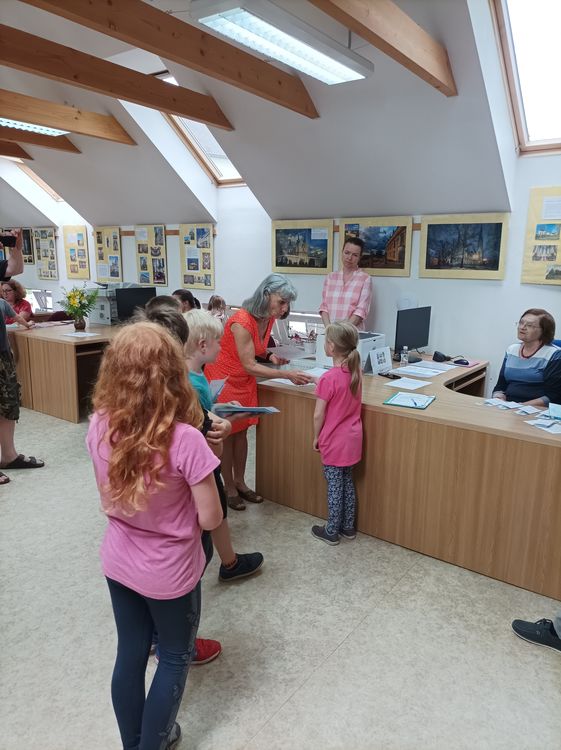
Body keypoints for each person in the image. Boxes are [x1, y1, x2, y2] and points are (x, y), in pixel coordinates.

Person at [87, 322, 223, 750]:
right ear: (172, 373)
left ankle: (134, 743)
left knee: (130, 653)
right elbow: (210, 518)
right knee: (175, 656)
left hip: (118, 561)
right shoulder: (186, 440)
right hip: (170, 573)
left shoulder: (99, 424)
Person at [204, 274, 313, 510]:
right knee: (227, 435)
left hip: (244, 382)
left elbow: (256, 348)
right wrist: (287, 375)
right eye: (281, 302)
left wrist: (270, 355)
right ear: (266, 295)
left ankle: (240, 482)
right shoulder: (241, 321)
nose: (284, 309)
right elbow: (249, 364)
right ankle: (229, 487)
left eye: (287, 304)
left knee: (242, 434)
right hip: (225, 380)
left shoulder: (268, 318)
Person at [184, 308, 264, 580]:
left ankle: (228, 561)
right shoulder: (192, 383)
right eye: (218, 341)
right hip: (204, 460)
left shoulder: (194, 375)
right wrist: (227, 419)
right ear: (202, 345)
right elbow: (202, 424)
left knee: (216, 509)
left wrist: (220, 409)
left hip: (203, 459)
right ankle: (226, 564)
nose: (222, 346)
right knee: (213, 511)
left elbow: (203, 412)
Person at [311, 322, 363, 545]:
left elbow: (318, 415)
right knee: (347, 482)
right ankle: (348, 527)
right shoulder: (356, 372)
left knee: (334, 486)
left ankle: (331, 530)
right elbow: (339, 387)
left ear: (331, 347)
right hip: (353, 440)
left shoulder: (328, 379)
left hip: (334, 441)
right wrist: (318, 381)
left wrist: (316, 437)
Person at [0, 297, 42, 485]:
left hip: (3, 357)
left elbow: (18, 318)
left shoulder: (2, 303)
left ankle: (9, 457)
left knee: (9, 404)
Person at [492, 308, 561, 407]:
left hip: (537, 408)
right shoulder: (511, 350)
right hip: (509, 406)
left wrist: (520, 406)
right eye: (521, 323)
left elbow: (553, 396)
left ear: (544, 331)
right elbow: (500, 385)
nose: (522, 327)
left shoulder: (554, 354)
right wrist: (498, 399)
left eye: (530, 325)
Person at [319, 237, 372, 330]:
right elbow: (324, 308)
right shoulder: (331, 277)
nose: (349, 258)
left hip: (352, 333)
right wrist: (329, 330)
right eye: (347, 253)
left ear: (360, 257)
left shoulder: (365, 279)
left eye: (355, 255)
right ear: (342, 252)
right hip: (331, 333)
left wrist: (342, 332)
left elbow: (361, 311)